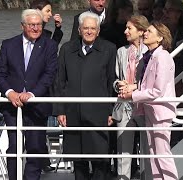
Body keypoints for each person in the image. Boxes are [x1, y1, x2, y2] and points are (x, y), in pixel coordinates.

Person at [0, 9, 58, 180]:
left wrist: (32, 93)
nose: (36, 28)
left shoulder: (49, 46)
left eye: (39, 25)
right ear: (23, 26)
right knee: (14, 147)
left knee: (35, 147)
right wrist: (10, 93)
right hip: (12, 106)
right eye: (32, 25)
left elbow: (50, 75)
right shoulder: (8, 44)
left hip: (37, 105)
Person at [54, 11, 116, 180]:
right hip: (72, 112)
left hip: (99, 113)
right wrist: (60, 111)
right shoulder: (67, 49)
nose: (89, 31)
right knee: (78, 159)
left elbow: (112, 80)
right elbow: (60, 81)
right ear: (79, 30)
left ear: (98, 31)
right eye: (86, 28)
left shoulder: (109, 49)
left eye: (93, 28)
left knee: (100, 159)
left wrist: (112, 111)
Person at [120, 21, 178, 180]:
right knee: (153, 153)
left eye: (150, 32)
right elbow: (147, 85)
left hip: (160, 113)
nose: (145, 33)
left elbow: (158, 90)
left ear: (160, 38)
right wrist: (132, 88)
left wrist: (132, 95)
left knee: (162, 153)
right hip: (152, 111)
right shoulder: (152, 56)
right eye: (146, 31)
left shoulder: (163, 57)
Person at [112, 15, 151, 180]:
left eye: (129, 28)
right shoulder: (122, 52)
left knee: (147, 149)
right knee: (123, 151)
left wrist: (133, 87)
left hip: (144, 105)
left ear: (141, 31)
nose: (125, 31)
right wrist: (118, 85)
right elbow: (115, 78)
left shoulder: (150, 52)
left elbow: (151, 82)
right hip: (124, 106)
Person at [30, 0, 63, 172]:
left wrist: (58, 30)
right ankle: (38, 161)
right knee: (35, 125)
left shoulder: (47, 33)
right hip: (34, 86)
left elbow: (51, 48)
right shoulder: (31, 33)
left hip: (45, 85)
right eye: (47, 11)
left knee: (41, 124)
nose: (50, 14)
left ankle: (43, 161)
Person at [161, 0, 183, 76]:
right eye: (165, 9)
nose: (165, 13)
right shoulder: (160, 28)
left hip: (179, 69)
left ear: (179, 14)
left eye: (169, 10)